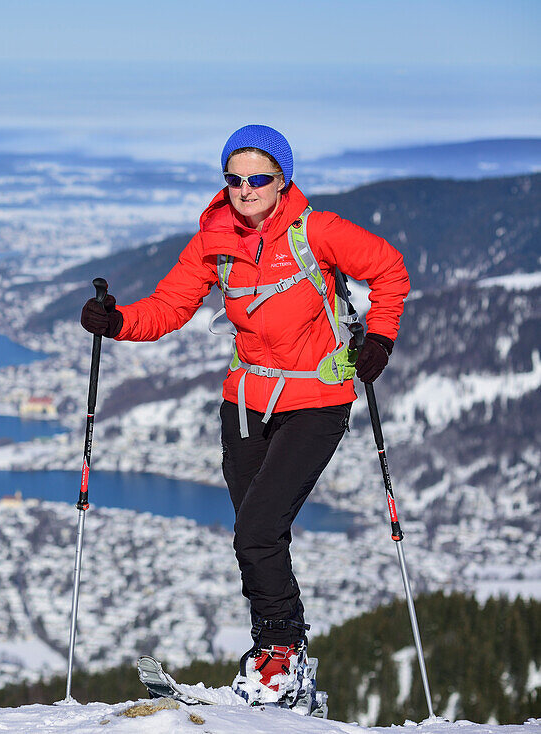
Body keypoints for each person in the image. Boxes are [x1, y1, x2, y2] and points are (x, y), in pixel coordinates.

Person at [80, 124, 409, 705]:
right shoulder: (214, 238)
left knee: (256, 530)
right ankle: (275, 651)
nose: (245, 188)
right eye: (234, 178)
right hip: (245, 402)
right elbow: (170, 305)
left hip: (317, 400)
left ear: (283, 179)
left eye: (259, 177)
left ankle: (281, 654)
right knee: (255, 532)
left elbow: (389, 271)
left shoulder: (318, 231)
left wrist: (379, 338)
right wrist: (119, 322)